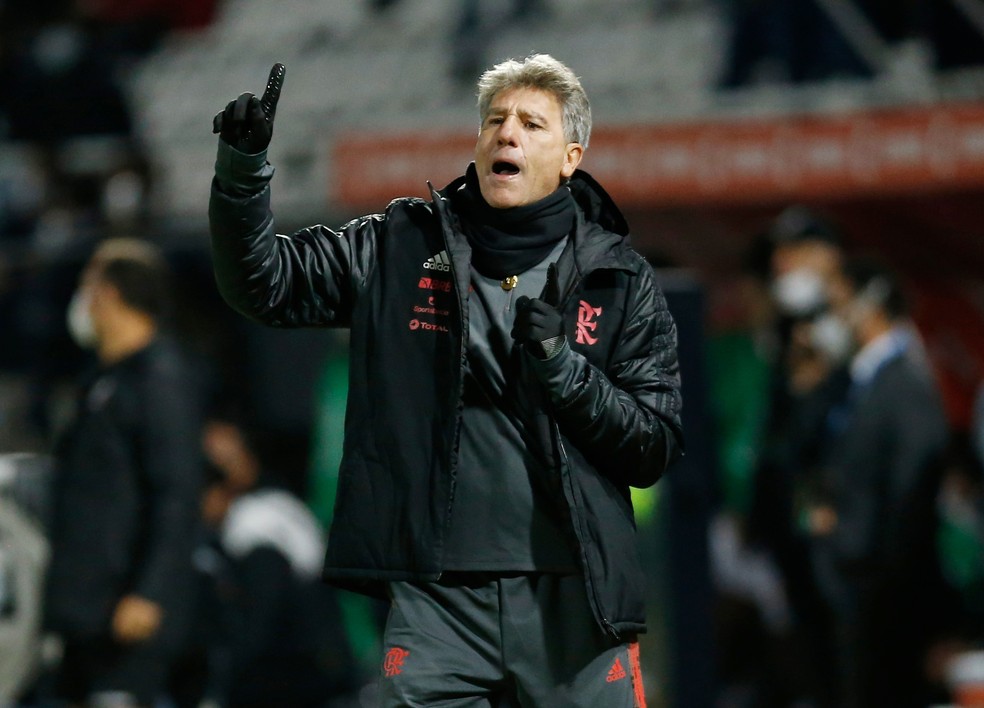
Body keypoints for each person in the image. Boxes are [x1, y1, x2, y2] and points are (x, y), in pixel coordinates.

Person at [208, 54, 684, 706]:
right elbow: (265, 283)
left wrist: (562, 368)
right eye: (494, 120)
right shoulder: (400, 245)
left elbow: (652, 444)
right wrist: (242, 172)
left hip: (574, 596)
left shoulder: (621, 279)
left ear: (571, 156)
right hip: (440, 604)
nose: (506, 134)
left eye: (530, 123)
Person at [41, 238, 205, 708]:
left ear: (109, 293)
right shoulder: (104, 380)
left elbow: (177, 495)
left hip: (127, 616)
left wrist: (149, 593)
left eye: (87, 284)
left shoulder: (161, 380)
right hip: (88, 612)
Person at [805, 256, 950, 708]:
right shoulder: (859, 382)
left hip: (882, 597)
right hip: (858, 591)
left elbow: (912, 495)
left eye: (839, 304)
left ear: (871, 306)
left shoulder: (903, 384)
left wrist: (875, 568)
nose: (830, 320)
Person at [193, 414, 360, 708]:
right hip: (317, 662)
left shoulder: (255, 523)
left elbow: (262, 616)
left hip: (300, 674)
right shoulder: (270, 506)